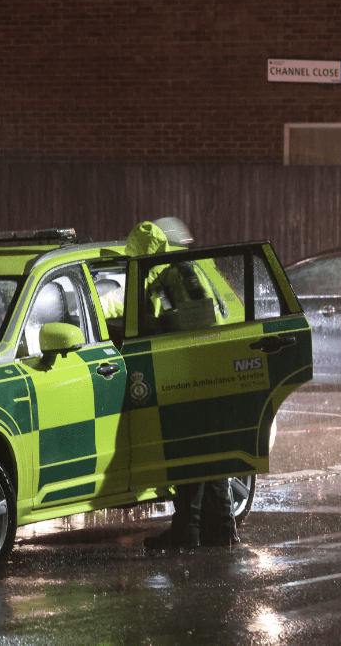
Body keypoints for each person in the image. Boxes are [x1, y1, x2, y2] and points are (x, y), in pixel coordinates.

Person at [112, 219, 238, 550]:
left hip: (195, 370)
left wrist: (155, 326)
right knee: (209, 456)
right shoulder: (177, 268)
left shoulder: (173, 272)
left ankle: (191, 532)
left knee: (191, 456)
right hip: (209, 367)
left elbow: (191, 317)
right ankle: (220, 532)